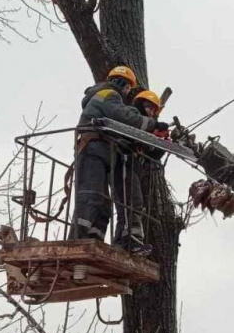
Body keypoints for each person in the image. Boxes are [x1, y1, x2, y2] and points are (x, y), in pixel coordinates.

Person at [72, 65, 169, 254]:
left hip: (103, 152)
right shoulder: (108, 95)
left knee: (102, 202)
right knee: (91, 196)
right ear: (122, 83)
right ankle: (79, 239)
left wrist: (159, 141)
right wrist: (153, 125)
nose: (126, 92)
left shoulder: (109, 99)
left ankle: (94, 240)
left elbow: (147, 149)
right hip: (93, 149)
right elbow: (124, 116)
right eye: (127, 88)